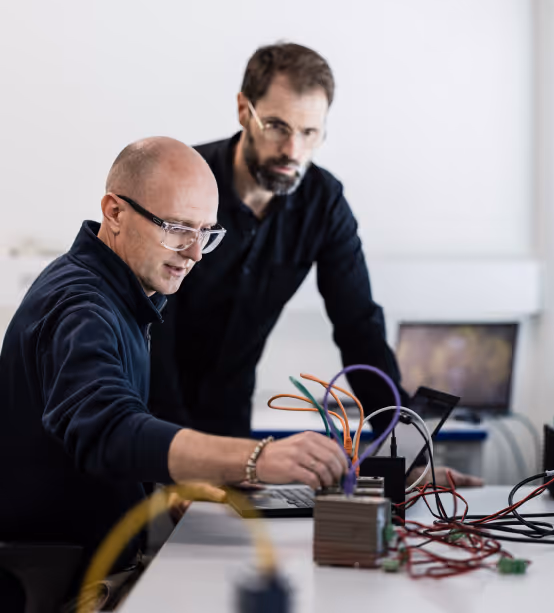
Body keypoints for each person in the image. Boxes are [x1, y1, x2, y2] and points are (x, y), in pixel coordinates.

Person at [0, 137, 348, 574]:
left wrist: (168, 488)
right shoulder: (80, 308)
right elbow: (109, 430)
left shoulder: (115, 295)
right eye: (178, 228)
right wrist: (259, 458)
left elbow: (96, 454)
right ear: (115, 212)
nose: (196, 252)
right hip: (65, 579)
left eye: (206, 232)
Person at [149, 44, 482, 488]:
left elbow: (359, 326)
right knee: (148, 548)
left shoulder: (324, 203)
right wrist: (185, 457)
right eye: (278, 127)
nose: (293, 150)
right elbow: (153, 323)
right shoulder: (187, 180)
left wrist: (400, 451)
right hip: (150, 411)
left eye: (310, 132)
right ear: (243, 110)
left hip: (229, 413)